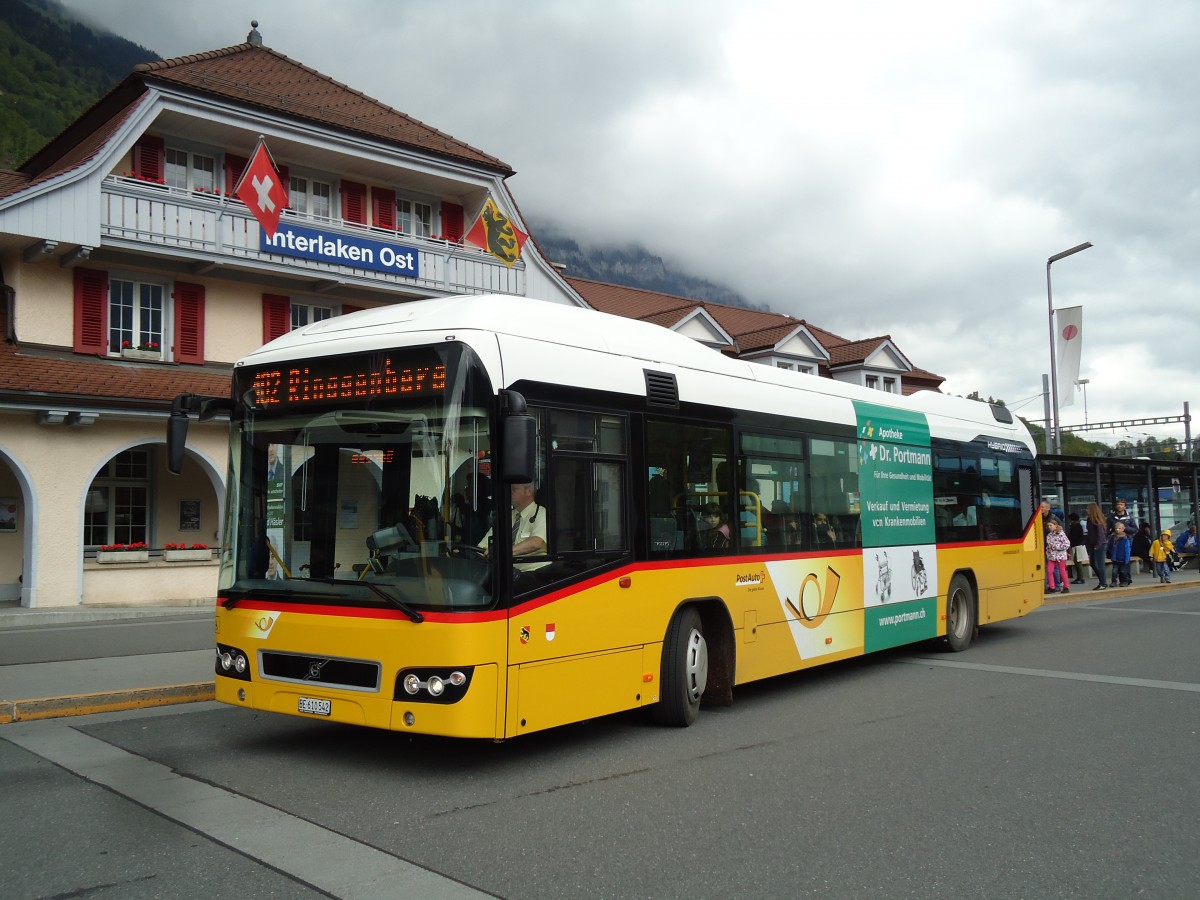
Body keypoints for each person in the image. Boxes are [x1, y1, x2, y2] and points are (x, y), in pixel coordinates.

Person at [479, 482, 548, 572]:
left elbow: (536, 543)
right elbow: (483, 546)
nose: (509, 492)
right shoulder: (506, 516)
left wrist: (501, 552)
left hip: (533, 573)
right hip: (506, 573)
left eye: (513, 489)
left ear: (528, 491)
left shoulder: (541, 513)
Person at [1084, 502, 1108, 590]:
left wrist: (1098, 544)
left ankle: (1103, 583)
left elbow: (1100, 534)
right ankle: (1102, 581)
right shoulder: (1090, 519)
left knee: (1099, 564)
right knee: (1093, 563)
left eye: (1088, 508)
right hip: (1092, 543)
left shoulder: (1096, 520)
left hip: (1099, 544)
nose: (1087, 510)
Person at [1045, 519, 1071, 593]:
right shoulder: (1049, 535)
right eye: (1048, 526)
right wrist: (1048, 550)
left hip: (1060, 556)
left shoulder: (1061, 534)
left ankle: (1066, 587)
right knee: (1049, 571)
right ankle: (1052, 587)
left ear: (1055, 525)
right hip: (1051, 556)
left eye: (1051, 525)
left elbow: (1067, 544)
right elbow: (1048, 545)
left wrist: (1055, 547)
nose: (1049, 527)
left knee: (1062, 571)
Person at [1109, 522, 1133, 587]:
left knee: (1123, 571)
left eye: (1119, 528)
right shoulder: (1112, 537)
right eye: (1116, 528)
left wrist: (1127, 558)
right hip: (1115, 558)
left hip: (1123, 558)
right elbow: (1110, 547)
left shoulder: (1125, 539)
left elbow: (1127, 549)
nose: (1117, 530)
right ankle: (1114, 581)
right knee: (1114, 571)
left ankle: (1124, 581)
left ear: (1123, 529)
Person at [1067, 512, 1088, 584]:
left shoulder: (1075, 526)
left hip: (1077, 546)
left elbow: (1073, 537)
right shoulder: (1078, 525)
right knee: (1077, 562)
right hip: (1077, 545)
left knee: (1078, 562)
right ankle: (1079, 577)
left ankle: (1080, 578)